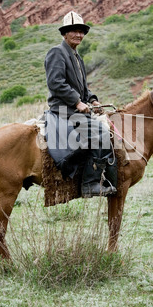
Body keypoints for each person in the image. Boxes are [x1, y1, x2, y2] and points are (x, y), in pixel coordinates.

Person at [44, 11, 117, 198]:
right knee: (100, 133)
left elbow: (83, 88)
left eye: (81, 32)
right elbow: (56, 83)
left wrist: (92, 99)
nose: (79, 35)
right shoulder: (57, 52)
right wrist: (77, 102)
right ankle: (89, 184)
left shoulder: (77, 57)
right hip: (63, 110)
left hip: (75, 108)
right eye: (74, 31)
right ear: (64, 33)